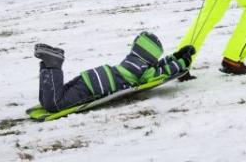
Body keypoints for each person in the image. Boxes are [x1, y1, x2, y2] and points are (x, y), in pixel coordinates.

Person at [34, 32, 193, 113]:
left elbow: (159, 66)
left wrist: (177, 55)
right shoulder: (144, 72)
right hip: (96, 87)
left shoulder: (132, 61)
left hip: (92, 76)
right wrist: (182, 62)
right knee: (55, 105)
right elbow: (163, 71)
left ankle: (49, 63)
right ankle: (52, 63)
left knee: (49, 99)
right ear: (152, 56)